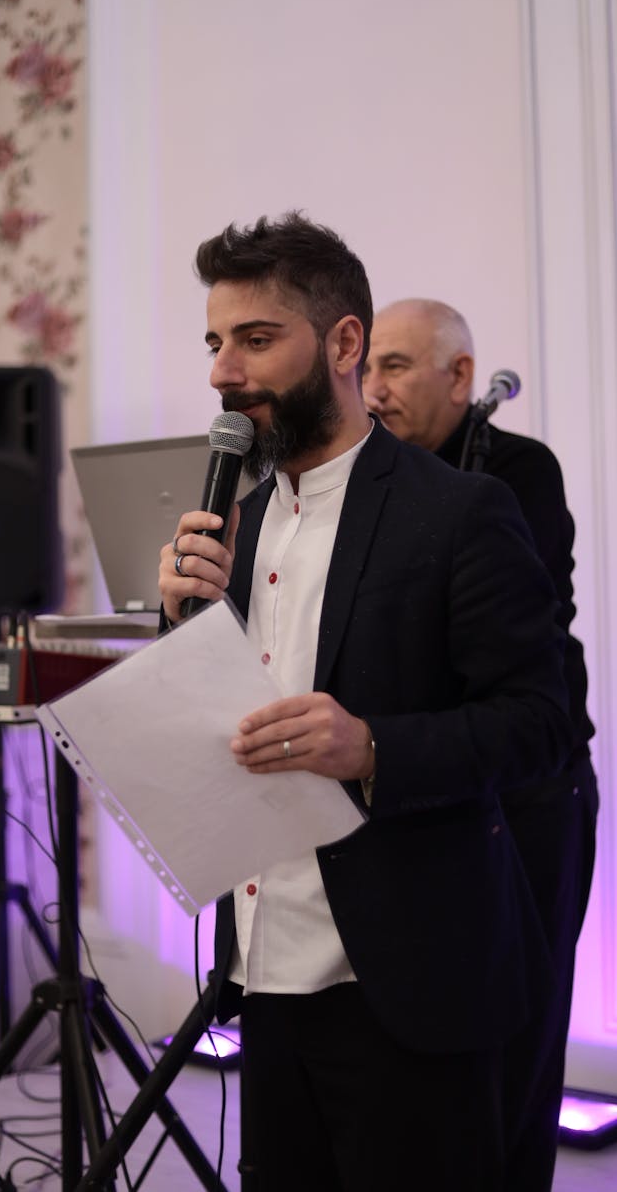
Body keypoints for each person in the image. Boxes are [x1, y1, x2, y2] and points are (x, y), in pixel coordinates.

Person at [158, 216, 572, 1192]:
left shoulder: (459, 510)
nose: (224, 371)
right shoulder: (241, 517)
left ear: (344, 344)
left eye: (256, 340)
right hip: (264, 968)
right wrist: (178, 624)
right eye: (215, 343)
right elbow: (223, 726)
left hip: (408, 977)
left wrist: (372, 744)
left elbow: (539, 724)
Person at [362, 296, 599, 1191]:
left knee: (526, 1042)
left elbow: (509, 639)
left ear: (461, 377)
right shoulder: (371, 482)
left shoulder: (516, 473)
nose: (371, 387)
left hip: (535, 792)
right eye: (366, 368)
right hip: (439, 786)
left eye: (393, 366)